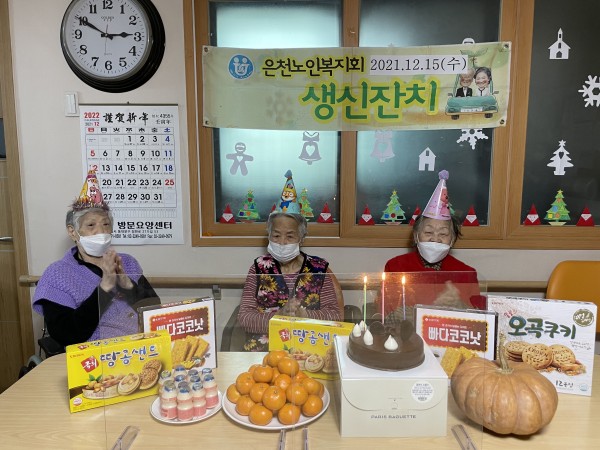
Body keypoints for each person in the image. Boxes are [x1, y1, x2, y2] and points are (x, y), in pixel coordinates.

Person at [32, 170, 160, 347]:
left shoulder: (127, 262)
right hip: (94, 355)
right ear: (73, 232)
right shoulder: (57, 274)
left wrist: (127, 285)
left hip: (140, 348)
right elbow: (66, 334)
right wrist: (105, 288)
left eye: (106, 224)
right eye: (91, 225)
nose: (101, 231)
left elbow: (155, 312)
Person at [238, 171, 343, 351]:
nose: (282, 242)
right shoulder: (258, 268)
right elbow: (244, 318)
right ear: (269, 236)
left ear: (301, 238)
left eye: (290, 236)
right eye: (276, 235)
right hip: (265, 352)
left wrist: (304, 315)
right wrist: (279, 317)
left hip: (308, 351)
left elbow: (335, 316)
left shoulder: (319, 269)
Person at [377, 170, 485, 320]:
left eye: (443, 234)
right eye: (428, 232)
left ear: (452, 239)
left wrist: (459, 305)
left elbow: (478, 320)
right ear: (416, 236)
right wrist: (407, 314)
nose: (435, 239)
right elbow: (385, 313)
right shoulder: (396, 266)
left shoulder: (466, 273)